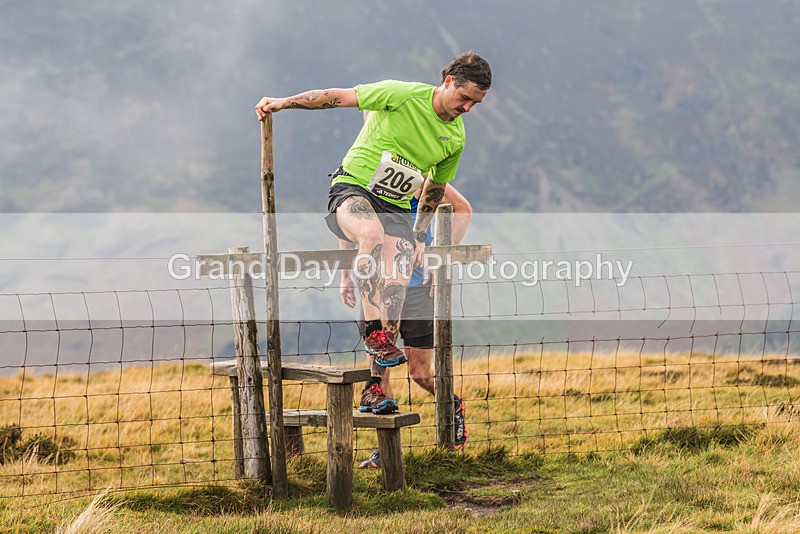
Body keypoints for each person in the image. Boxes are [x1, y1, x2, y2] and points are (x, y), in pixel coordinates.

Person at [256, 51, 491, 415]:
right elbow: (337, 96)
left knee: (396, 279)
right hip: (353, 189)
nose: (468, 108)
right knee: (370, 233)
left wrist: (418, 235)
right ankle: (374, 334)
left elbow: (433, 190)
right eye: (465, 98)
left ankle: (375, 383)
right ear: (448, 83)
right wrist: (283, 103)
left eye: (476, 103)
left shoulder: (455, 137)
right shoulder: (401, 95)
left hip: (395, 205)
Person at [340, 177, 473, 467]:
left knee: (420, 373)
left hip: (415, 290)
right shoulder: (363, 174)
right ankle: (385, 454)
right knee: (379, 377)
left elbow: (462, 209)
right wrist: (346, 273)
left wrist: (439, 258)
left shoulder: (418, 177)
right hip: (376, 296)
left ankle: (453, 404)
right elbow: (344, 221)